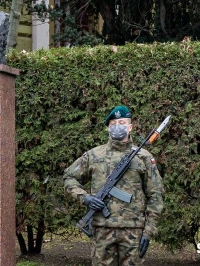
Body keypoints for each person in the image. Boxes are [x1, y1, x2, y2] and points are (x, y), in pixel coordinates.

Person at [63, 105, 164, 265]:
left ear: (130, 127)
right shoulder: (93, 155)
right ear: (108, 128)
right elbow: (69, 178)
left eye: (122, 122)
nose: (117, 126)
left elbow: (156, 195)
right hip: (102, 230)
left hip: (133, 231)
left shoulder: (143, 157)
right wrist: (86, 198)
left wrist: (149, 231)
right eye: (113, 124)